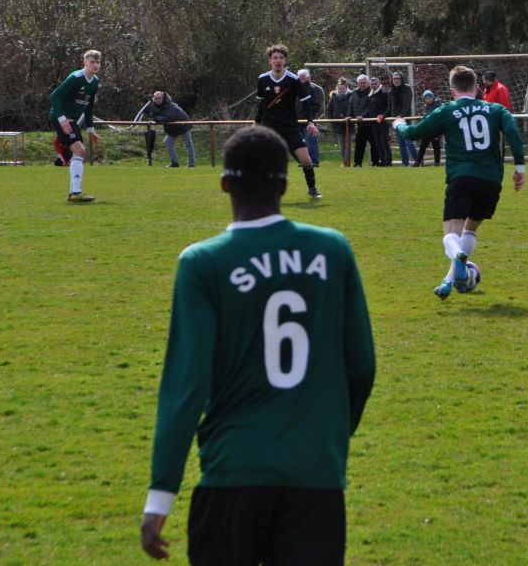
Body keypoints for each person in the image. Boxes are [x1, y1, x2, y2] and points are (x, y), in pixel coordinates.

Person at [141, 125, 376, 564]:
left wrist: (160, 496)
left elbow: (185, 386)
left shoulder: (203, 262)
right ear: (285, 186)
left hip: (233, 472)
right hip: (315, 475)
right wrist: (326, 436)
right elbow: (362, 367)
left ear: (224, 184)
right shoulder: (332, 251)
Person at [391, 65, 526, 300]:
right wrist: (520, 169)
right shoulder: (496, 109)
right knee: (470, 230)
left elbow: (413, 133)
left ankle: (458, 257)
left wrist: (398, 124)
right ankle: (447, 281)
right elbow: (513, 132)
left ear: (452, 90)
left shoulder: (447, 110)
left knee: (450, 236)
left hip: (461, 177)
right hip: (491, 180)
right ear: (476, 88)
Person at [255, 44, 322, 198]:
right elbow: (261, 104)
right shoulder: (262, 79)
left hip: (290, 126)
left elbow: (306, 102)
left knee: (306, 161)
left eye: (281, 58)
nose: (278, 60)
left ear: (285, 60)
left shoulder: (294, 80)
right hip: (270, 126)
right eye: (275, 58)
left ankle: (312, 189)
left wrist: (311, 122)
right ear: (270, 61)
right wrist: (256, 123)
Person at [49, 49, 101, 203]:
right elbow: (54, 96)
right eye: (92, 62)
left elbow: (89, 108)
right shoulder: (76, 78)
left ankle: (74, 191)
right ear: (85, 62)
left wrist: (91, 130)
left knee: (79, 153)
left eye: (98, 62)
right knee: (80, 151)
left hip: (71, 120)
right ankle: (75, 193)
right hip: (61, 118)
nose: (95, 65)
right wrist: (62, 119)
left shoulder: (95, 81)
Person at [148, 91, 196, 168]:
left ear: (163, 98)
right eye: (156, 98)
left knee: (188, 144)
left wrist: (158, 119)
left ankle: (191, 164)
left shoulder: (169, 105)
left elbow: (168, 117)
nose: (158, 100)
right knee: (168, 142)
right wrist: (158, 118)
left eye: (159, 98)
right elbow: (153, 116)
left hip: (183, 124)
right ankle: (174, 163)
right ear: (154, 98)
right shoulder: (153, 106)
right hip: (173, 127)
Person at [388, 71, 419, 166]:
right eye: (394, 78)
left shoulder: (407, 89)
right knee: (401, 143)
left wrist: (401, 115)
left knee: (408, 141)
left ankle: (418, 160)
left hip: (405, 119)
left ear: (401, 79)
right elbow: (390, 107)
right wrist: (385, 116)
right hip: (396, 121)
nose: (396, 80)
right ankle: (405, 163)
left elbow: (407, 104)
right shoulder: (391, 91)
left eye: (398, 78)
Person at [296, 68, 325, 166]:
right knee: (301, 143)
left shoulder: (312, 89)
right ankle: (304, 161)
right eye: (300, 77)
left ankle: (314, 161)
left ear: (307, 78)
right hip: (298, 120)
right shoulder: (296, 89)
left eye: (303, 77)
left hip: (309, 120)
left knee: (310, 141)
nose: (301, 79)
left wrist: (306, 113)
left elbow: (317, 104)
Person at [349, 74, 375, 166]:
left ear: (368, 83)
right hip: (360, 125)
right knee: (359, 145)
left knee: (374, 144)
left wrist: (362, 116)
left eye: (364, 82)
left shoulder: (372, 92)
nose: (362, 84)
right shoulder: (354, 93)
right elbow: (351, 105)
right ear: (358, 83)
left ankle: (375, 163)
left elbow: (370, 107)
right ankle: (357, 163)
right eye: (360, 83)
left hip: (371, 124)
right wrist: (349, 115)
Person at [327, 78, 354, 167]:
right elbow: (329, 110)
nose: (341, 90)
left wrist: (351, 117)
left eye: (343, 88)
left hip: (349, 123)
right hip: (338, 125)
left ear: (346, 88)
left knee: (348, 144)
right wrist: (333, 122)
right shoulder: (334, 97)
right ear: (337, 88)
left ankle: (348, 161)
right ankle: (344, 161)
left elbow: (354, 108)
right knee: (342, 144)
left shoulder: (351, 96)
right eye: (339, 88)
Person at [368, 76, 392, 166]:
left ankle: (388, 161)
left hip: (383, 122)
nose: (374, 85)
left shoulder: (384, 94)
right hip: (374, 123)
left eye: (375, 83)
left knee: (384, 142)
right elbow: (369, 109)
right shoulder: (370, 95)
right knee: (377, 143)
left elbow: (389, 107)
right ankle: (382, 161)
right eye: (372, 84)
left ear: (379, 84)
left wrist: (383, 116)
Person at [414, 89, 442, 167]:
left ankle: (437, 162)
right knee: (423, 145)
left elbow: (429, 115)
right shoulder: (426, 106)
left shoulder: (437, 105)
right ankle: (418, 162)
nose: (429, 100)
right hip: (427, 129)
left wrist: (422, 121)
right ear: (424, 100)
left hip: (435, 129)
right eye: (426, 98)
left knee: (436, 146)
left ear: (433, 98)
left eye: (430, 98)